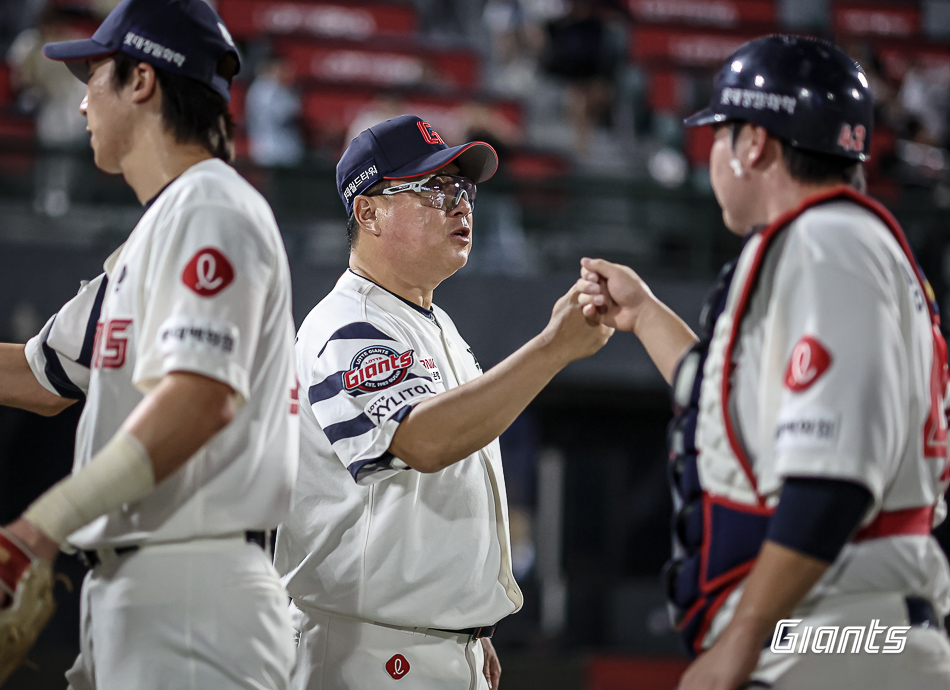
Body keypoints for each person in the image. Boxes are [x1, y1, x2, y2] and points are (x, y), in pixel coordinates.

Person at [577, 35, 950, 690]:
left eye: (722, 135)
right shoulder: (833, 241)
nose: (713, 152)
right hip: (831, 631)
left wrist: (740, 642)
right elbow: (727, 409)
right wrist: (643, 316)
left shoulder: (827, 242)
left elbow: (833, 478)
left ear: (755, 144)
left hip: (831, 636)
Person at [0, 1, 299, 688]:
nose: (81, 105)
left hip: (194, 583)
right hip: (143, 584)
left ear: (141, 81)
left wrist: (40, 527)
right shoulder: (160, 230)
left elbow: (199, 401)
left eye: (93, 77)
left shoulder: (211, 207)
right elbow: (42, 376)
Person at [274, 114, 612, 690]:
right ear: (369, 212)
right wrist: (553, 349)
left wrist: (465, 625)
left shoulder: (433, 323)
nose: (460, 206)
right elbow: (423, 443)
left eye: (463, 190)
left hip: (428, 644)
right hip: (367, 651)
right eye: (433, 189)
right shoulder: (347, 324)